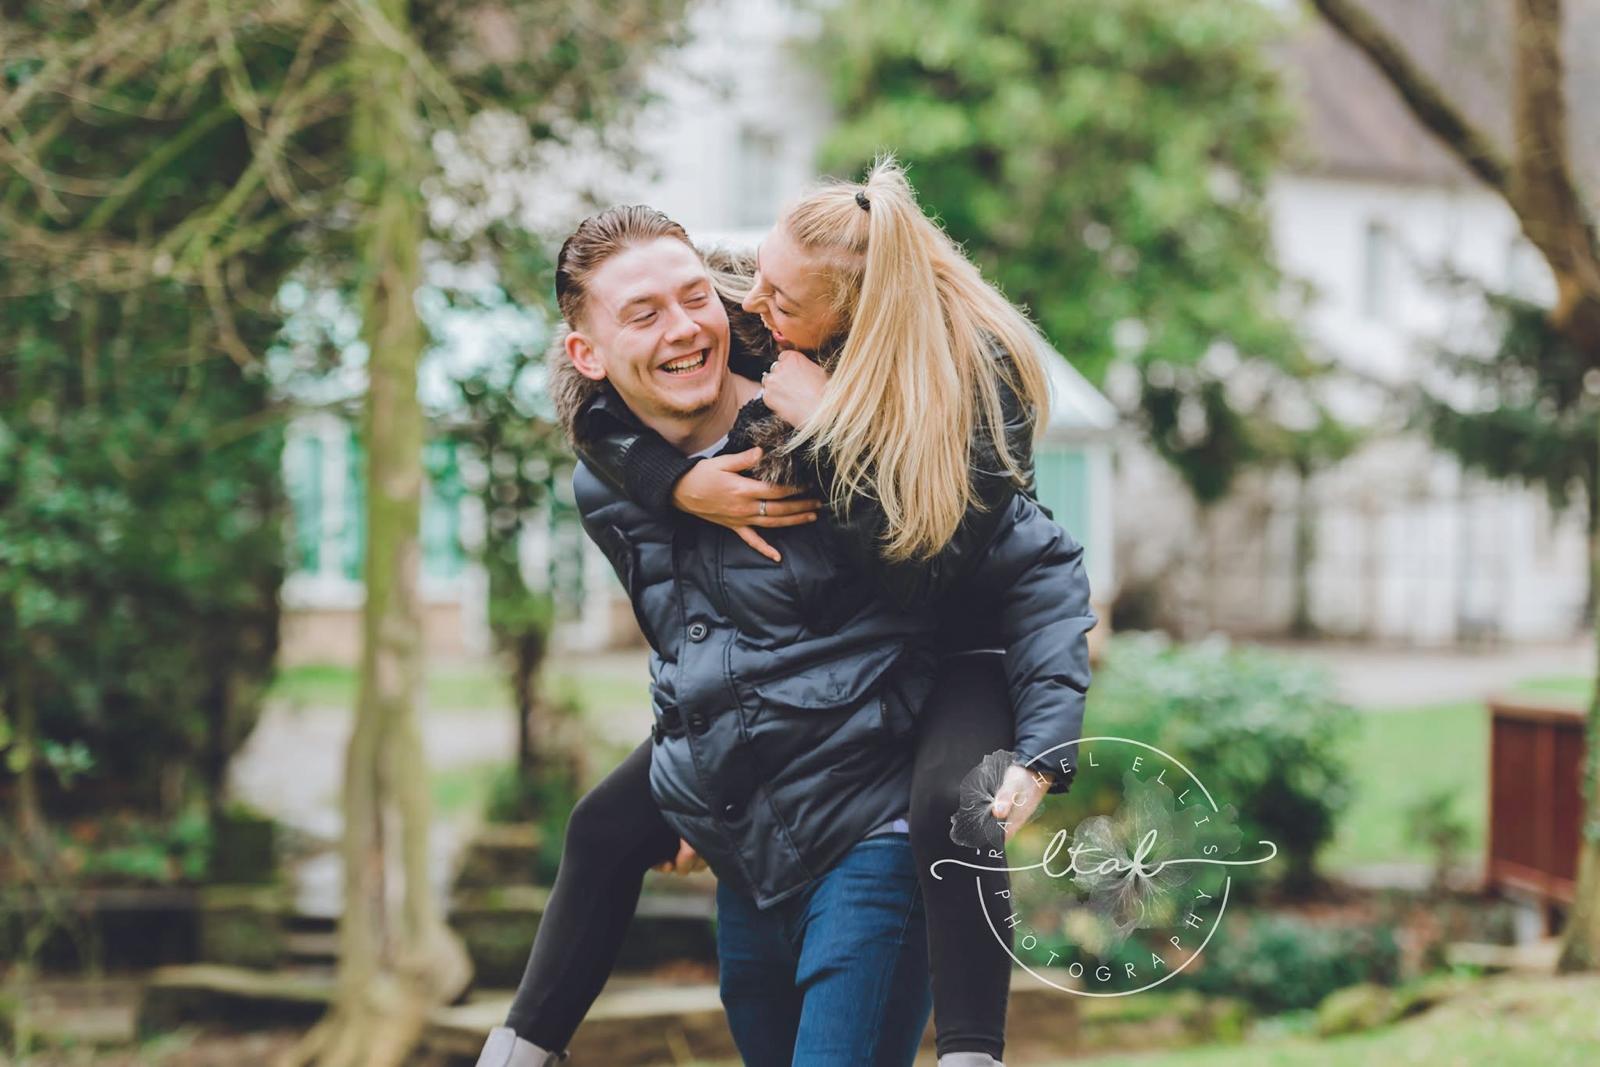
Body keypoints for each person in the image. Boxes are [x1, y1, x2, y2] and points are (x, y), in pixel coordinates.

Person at [479, 164, 1095, 1067]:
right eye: (643, 314)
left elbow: (1026, 563)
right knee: (600, 828)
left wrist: (1042, 743)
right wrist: (672, 482)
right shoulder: (618, 475)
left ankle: (974, 1050)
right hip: (757, 839)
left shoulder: (879, 407)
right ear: (588, 354)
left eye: (696, 297)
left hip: (886, 792)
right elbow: (692, 644)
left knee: (947, 809)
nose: (692, 324)